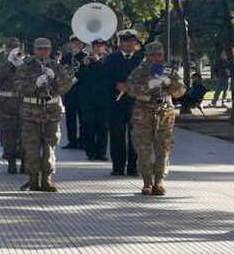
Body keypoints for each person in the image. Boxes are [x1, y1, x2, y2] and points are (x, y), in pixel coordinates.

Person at [14, 38, 73, 192]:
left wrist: (55, 77)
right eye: (40, 49)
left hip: (51, 112)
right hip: (31, 111)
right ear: (34, 50)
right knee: (31, 147)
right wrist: (35, 83)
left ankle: (47, 179)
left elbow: (66, 87)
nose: (43, 52)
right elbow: (18, 87)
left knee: (49, 146)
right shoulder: (25, 67)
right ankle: (33, 179)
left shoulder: (56, 66)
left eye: (46, 49)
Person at [126, 42, 184, 195]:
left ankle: (159, 181)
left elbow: (180, 91)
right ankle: (147, 181)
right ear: (147, 56)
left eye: (159, 54)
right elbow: (130, 89)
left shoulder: (169, 70)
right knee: (143, 148)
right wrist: (148, 84)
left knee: (163, 148)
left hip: (164, 112)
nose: (157, 58)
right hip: (143, 112)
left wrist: (170, 83)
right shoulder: (139, 71)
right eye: (153, 55)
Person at [103, 29, 144, 176]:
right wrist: (116, 85)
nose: (128, 44)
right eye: (125, 41)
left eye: (131, 41)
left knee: (136, 136)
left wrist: (132, 88)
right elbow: (103, 79)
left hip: (136, 104)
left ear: (135, 43)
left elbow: (147, 80)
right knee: (116, 135)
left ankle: (133, 167)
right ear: (120, 43)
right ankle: (118, 167)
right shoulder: (111, 59)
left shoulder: (141, 60)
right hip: (116, 104)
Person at [0, 38, 26, 174]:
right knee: (8, 133)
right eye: (10, 47)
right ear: (6, 49)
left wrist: (21, 65)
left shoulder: (27, 63)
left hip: (24, 102)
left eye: (15, 47)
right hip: (6, 103)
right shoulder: (1, 64)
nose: (13, 50)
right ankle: (11, 161)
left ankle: (25, 161)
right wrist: (9, 65)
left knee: (25, 133)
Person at [77, 38, 112, 161]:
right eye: (96, 46)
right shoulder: (87, 59)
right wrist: (83, 65)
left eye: (101, 46)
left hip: (104, 99)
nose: (98, 48)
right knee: (89, 126)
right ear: (93, 47)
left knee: (103, 127)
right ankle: (90, 152)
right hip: (88, 99)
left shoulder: (109, 59)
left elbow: (108, 74)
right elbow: (79, 77)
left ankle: (101, 153)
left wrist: (98, 62)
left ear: (105, 47)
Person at [61, 35, 87, 150]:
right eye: (75, 43)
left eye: (79, 43)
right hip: (69, 91)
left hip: (82, 91)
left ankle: (82, 140)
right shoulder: (66, 57)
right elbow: (61, 71)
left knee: (83, 118)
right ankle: (71, 141)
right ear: (71, 44)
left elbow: (86, 72)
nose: (77, 45)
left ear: (82, 45)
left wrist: (76, 78)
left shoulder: (85, 57)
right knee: (70, 117)